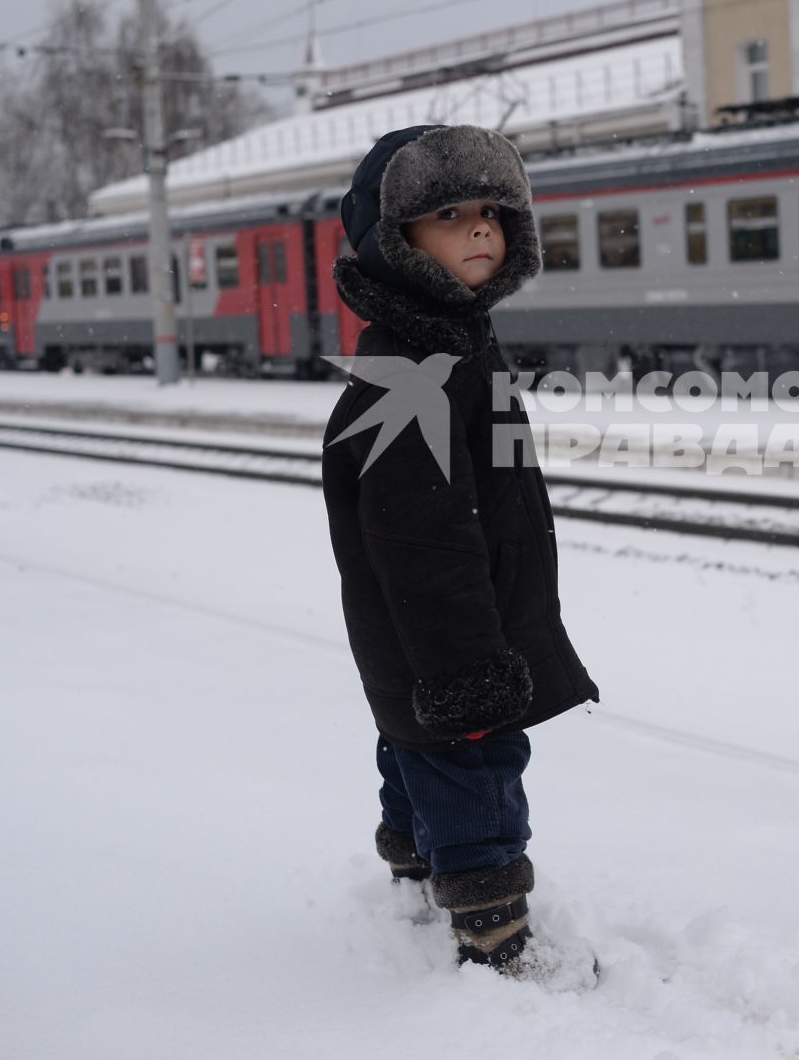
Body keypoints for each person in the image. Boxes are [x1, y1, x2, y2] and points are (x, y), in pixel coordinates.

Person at [320, 124, 600, 974]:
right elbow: (422, 544)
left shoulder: (454, 345)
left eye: (492, 210)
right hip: (452, 639)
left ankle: (411, 870)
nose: (481, 229)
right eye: (449, 213)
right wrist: (469, 668)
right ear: (396, 241)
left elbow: (493, 493)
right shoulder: (418, 371)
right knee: (475, 765)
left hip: (443, 632)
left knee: (416, 752)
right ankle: (496, 936)